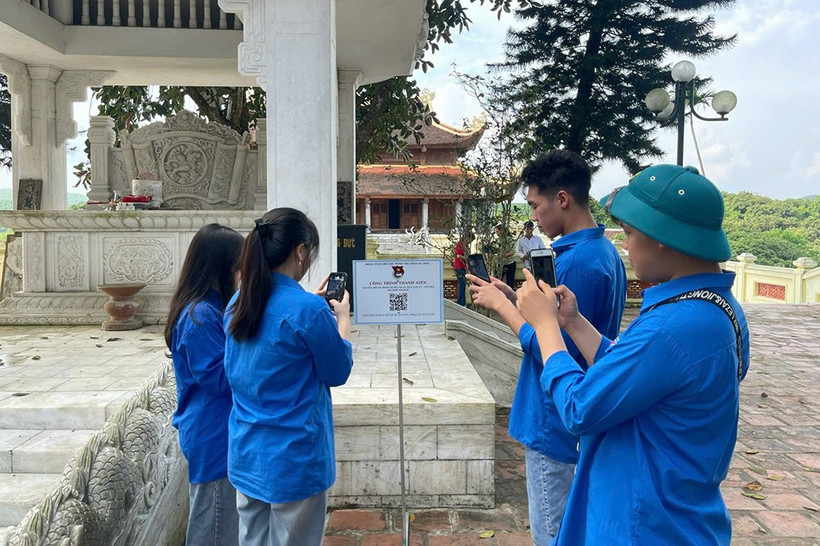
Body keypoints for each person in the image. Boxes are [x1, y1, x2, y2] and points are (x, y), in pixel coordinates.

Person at [517, 164, 751, 545]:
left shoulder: (674, 326)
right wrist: (574, 323)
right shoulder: (716, 307)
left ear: (662, 237)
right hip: (681, 510)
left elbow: (580, 407)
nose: (625, 245)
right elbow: (631, 370)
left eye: (628, 233)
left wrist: (545, 327)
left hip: (644, 521)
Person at [468, 149, 626, 544]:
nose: (534, 216)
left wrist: (504, 307)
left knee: (554, 534)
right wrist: (515, 297)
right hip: (568, 420)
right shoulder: (600, 251)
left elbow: (554, 350)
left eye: (536, 205)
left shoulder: (578, 264)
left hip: (554, 421)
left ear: (562, 199)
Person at [223, 207, 353, 546]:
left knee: (252, 539)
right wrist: (342, 320)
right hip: (295, 458)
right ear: (299, 251)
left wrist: (307, 304)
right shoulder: (308, 311)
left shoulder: (239, 301)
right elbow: (337, 371)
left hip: (247, 452)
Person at [164, 223, 245, 545]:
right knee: (214, 526)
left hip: (219, 430)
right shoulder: (199, 316)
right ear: (221, 266)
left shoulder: (213, 308)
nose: (243, 272)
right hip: (213, 435)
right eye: (239, 265)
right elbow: (220, 378)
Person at [494, 224, 517, 288]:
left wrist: (503, 256)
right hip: (500, 263)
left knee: (510, 282)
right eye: (496, 232)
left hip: (510, 263)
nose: (497, 234)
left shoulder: (509, 240)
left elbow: (512, 252)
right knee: (497, 281)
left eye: (497, 232)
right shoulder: (497, 240)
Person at [453, 233, 469, 306]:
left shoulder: (464, 245)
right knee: (462, 285)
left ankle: (462, 302)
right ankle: (460, 303)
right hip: (460, 267)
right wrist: (468, 258)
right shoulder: (460, 245)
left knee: (463, 285)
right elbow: (458, 256)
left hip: (462, 267)